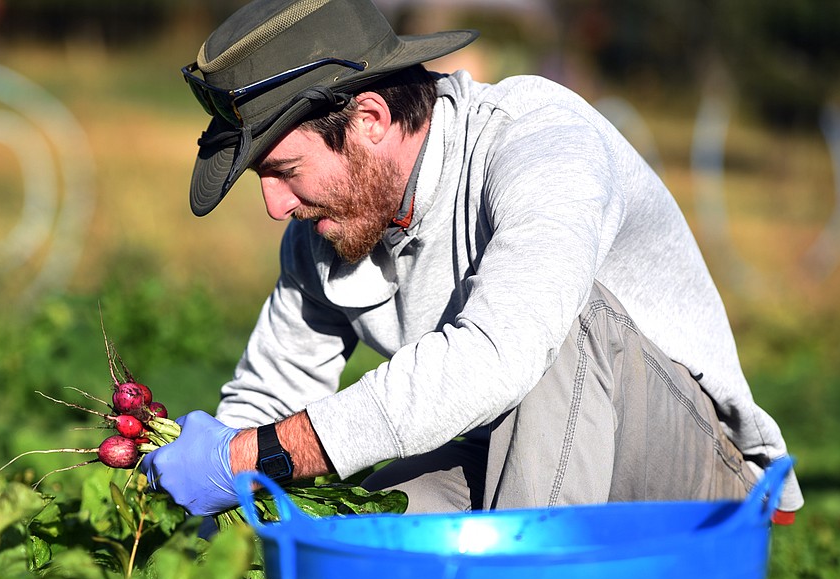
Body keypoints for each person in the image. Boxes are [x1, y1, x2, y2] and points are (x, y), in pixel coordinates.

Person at [141, 0, 803, 519]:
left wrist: (256, 454)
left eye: (283, 170)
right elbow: (265, 402)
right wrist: (186, 507)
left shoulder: (540, 144)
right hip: (518, 460)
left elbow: (498, 355)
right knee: (365, 520)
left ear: (368, 119)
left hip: (692, 483)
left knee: (555, 321)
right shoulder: (325, 233)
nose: (275, 206)